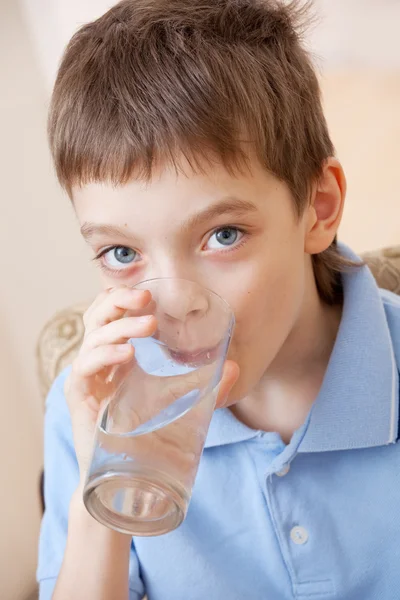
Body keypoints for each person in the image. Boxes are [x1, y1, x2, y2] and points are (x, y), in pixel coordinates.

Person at [37, 1, 400, 599]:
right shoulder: (87, 408)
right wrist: (99, 486)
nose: (174, 305)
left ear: (319, 208)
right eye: (122, 254)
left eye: (222, 236)